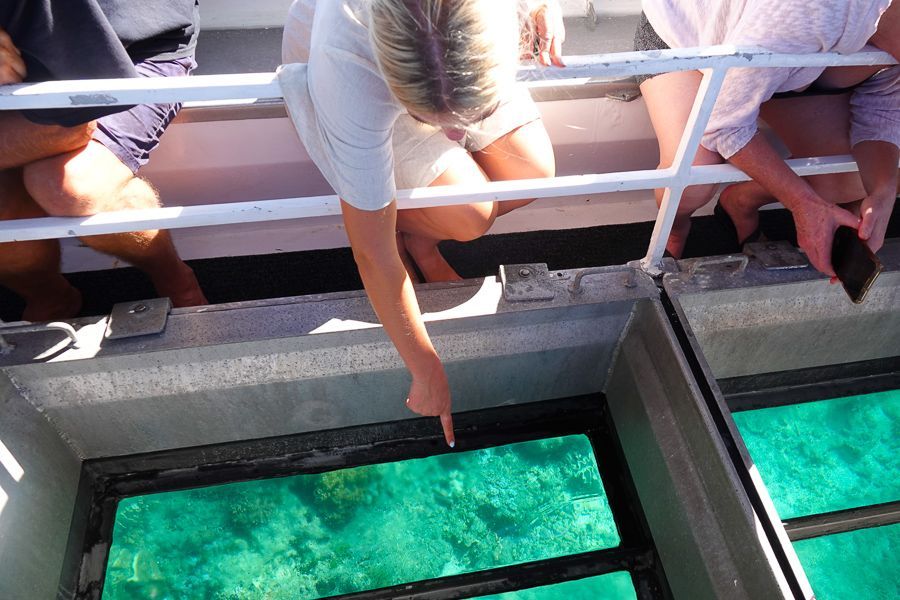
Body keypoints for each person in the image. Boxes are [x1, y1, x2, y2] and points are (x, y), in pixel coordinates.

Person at [279, 0, 565, 445]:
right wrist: (425, 368)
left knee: (533, 173)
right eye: (424, 117)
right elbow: (370, 252)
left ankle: (418, 232)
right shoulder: (347, 64)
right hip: (362, 63)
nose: (454, 135)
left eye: (470, 118)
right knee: (470, 214)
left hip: (449, 47)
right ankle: (407, 230)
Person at [636, 0, 898, 273]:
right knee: (691, 181)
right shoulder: (809, 8)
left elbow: (882, 111)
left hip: (781, 59)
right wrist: (803, 204)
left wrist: (883, 192)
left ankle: (740, 201)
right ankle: (674, 231)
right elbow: (724, 125)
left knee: (848, 177)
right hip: (688, 38)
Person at [0, 0, 207, 322]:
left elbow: (73, 121)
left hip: (136, 48)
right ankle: (51, 297)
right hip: (24, 52)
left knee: (70, 186)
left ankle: (176, 281)